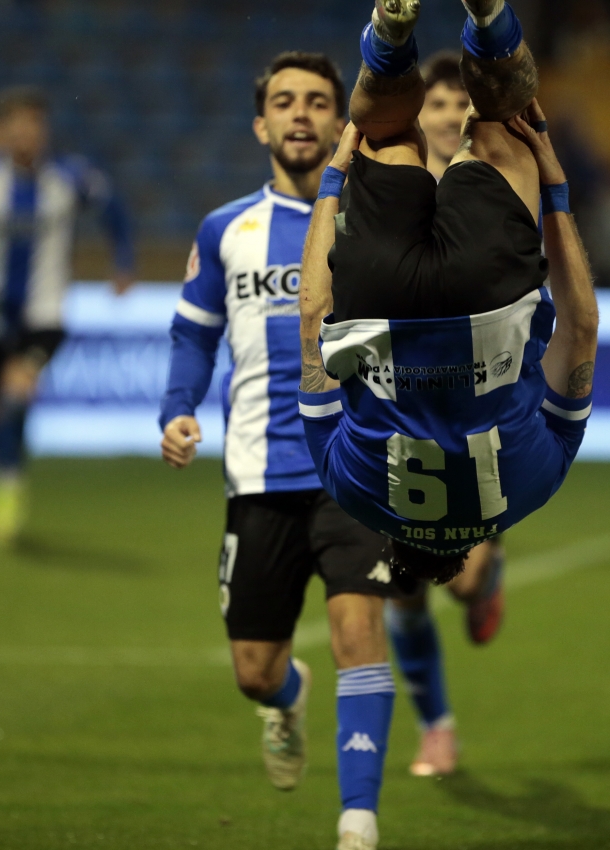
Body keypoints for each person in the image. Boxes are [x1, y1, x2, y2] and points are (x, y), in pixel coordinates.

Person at [297, 0, 597, 689]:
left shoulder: (530, 490)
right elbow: (314, 317)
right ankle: (390, 40)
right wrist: (334, 183)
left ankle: (490, 21)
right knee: (386, 130)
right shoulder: (353, 493)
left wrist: (553, 188)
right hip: (380, 308)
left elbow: (580, 330)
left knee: (500, 131)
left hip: (487, 301)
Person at [158, 53, 402, 850]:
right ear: (262, 125)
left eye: (319, 102)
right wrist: (177, 408)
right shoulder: (227, 229)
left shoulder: (377, 220)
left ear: (342, 123)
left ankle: (358, 820)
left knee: (358, 635)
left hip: (357, 467)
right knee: (255, 672)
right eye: (285, 103)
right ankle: (285, 700)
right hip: (259, 475)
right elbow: (193, 333)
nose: (302, 114)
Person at [0, 86, 135, 545]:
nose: (27, 134)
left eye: (35, 124)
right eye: (17, 125)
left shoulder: (69, 176)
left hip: (46, 312)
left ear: (45, 130)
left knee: (16, 389)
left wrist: (122, 261)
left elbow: (113, 209)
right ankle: (6, 472)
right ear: (2, 132)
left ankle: (8, 487)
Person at [384, 49, 509, 779]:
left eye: (464, 104)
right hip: (399, 414)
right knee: (401, 589)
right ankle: (437, 727)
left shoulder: (499, 192)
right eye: (436, 103)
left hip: (479, 415)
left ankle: (487, 576)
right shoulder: (388, 194)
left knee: (458, 582)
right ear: (417, 116)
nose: (451, 115)